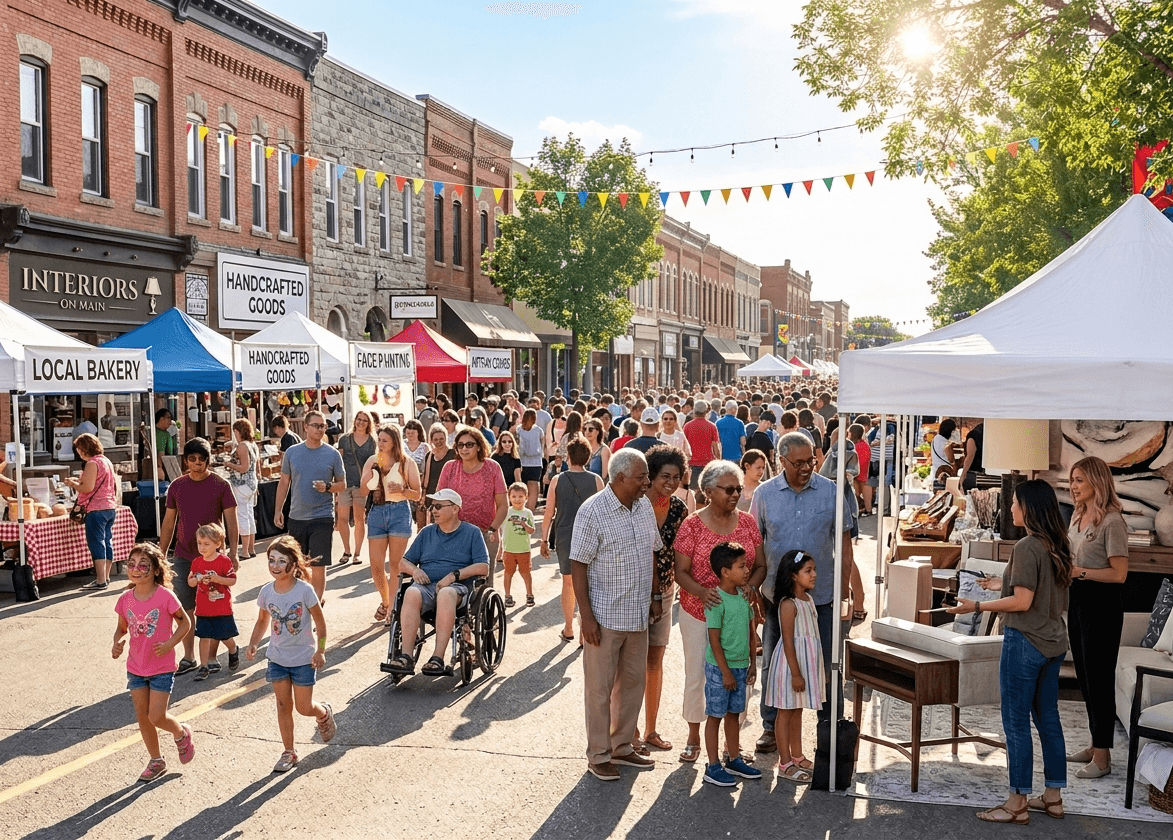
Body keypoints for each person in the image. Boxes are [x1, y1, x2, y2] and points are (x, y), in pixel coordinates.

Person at [948, 479, 1072, 824]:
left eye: (1015, 503)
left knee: (1016, 723)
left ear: (1029, 508)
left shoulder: (1028, 546)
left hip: (1026, 641)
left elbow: (1022, 600)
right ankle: (1053, 796)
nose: (1011, 509)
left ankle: (1016, 802)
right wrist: (998, 586)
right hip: (1054, 643)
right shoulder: (1058, 544)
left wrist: (976, 604)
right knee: (1048, 719)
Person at [750, 431, 853, 753]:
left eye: (811, 460)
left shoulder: (831, 491)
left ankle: (830, 729)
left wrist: (845, 589)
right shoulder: (765, 495)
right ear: (781, 461)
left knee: (827, 663)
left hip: (822, 597)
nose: (807, 467)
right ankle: (770, 727)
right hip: (776, 599)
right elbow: (756, 545)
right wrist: (753, 589)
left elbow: (845, 544)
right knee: (775, 663)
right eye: (799, 462)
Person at [570, 448, 661, 781]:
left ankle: (622, 747)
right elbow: (577, 563)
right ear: (621, 477)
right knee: (599, 690)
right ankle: (598, 754)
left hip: (638, 614)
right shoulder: (592, 511)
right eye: (641, 477)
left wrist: (655, 596)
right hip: (605, 617)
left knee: (633, 685)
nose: (647, 483)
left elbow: (652, 551)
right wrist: (587, 618)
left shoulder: (643, 506)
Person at [673, 460, 765, 764]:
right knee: (699, 674)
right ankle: (693, 736)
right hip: (700, 612)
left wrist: (751, 585)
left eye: (738, 488)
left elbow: (761, 565)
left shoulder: (748, 523)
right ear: (709, 490)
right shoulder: (692, 524)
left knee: (738, 674)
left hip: (739, 615)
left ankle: (732, 746)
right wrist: (702, 592)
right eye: (729, 489)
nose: (736, 494)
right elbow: (680, 571)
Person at [245, 535, 336, 773]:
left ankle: (323, 713)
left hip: (304, 659)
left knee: (303, 707)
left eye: (280, 560)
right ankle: (289, 752)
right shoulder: (266, 592)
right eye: (271, 560)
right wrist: (254, 643)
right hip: (277, 658)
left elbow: (321, 624)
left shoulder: (305, 591)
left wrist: (321, 650)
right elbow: (262, 620)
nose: (274, 565)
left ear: (293, 565)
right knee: (283, 704)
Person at [1064, 456, 1128, 780]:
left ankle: (1102, 758)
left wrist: (1081, 571)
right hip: (1078, 601)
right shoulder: (1078, 515)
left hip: (1102, 607)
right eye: (1072, 480)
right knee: (1086, 678)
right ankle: (1095, 743)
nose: (1073, 486)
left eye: (1078, 480)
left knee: (1099, 679)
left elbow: (1119, 575)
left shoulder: (1112, 521)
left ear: (1096, 482)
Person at [111, 542, 195, 782]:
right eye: (132, 564)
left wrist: (170, 644)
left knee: (156, 716)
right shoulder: (126, 599)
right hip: (136, 667)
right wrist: (117, 643)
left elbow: (185, 623)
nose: (136, 569)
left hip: (161, 667)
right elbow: (120, 629)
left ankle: (180, 733)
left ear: (156, 570)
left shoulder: (164, 596)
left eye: (143, 565)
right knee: (142, 716)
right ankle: (156, 760)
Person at [384, 488, 490, 676]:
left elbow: (483, 567)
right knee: (411, 592)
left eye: (439, 506)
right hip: (427, 587)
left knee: (446, 593)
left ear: (455, 509)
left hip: (456, 589)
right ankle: (406, 657)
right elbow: (403, 563)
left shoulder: (471, 532)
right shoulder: (427, 532)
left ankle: (437, 658)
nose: (433, 510)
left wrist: (453, 576)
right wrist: (415, 570)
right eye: (433, 505)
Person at [159, 437, 240, 674]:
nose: (197, 464)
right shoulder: (177, 486)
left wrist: (233, 552)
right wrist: (161, 553)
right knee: (185, 608)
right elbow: (168, 522)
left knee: (212, 607)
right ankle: (189, 656)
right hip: (184, 554)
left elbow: (231, 522)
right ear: (185, 460)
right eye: (192, 459)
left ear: (208, 460)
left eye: (202, 460)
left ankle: (211, 657)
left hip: (213, 556)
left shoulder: (221, 484)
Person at [631, 445, 689, 755]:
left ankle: (651, 729)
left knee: (655, 661)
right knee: (629, 664)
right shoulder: (634, 504)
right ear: (652, 475)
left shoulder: (679, 508)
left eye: (677, 477)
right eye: (665, 476)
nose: (670, 482)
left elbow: (684, 554)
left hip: (665, 592)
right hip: (631, 592)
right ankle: (630, 731)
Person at [700, 541, 762, 787]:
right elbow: (713, 640)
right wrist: (725, 672)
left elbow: (750, 632)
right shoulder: (716, 601)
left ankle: (733, 758)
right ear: (725, 572)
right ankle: (713, 765)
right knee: (715, 716)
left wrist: (753, 665)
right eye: (742, 566)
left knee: (734, 714)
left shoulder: (744, 598)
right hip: (720, 669)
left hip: (740, 666)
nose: (747, 570)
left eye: (746, 565)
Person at [764, 550, 824, 784]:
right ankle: (785, 762)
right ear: (793, 575)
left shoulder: (808, 600)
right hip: (790, 667)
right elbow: (788, 640)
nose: (814, 575)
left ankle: (798, 755)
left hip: (803, 664)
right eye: (808, 571)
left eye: (814, 570)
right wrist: (796, 673)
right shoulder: (788, 605)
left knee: (797, 710)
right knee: (785, 712)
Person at [273, 410, 345, 604]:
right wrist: (278, 509)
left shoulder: (332, 454)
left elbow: (342, 484)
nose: (321, 429)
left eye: (323, 426)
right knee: (297, 565)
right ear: (305, 427)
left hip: (322, 517)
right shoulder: (292, 452)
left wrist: (328, 487)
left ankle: (315, 607)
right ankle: (302, 601)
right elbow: (284, 482)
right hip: (297, 517)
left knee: (319, 565)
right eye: (316, 425)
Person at [541, 436, 604, 644]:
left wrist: (543, 540)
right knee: (589, 582)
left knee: (568, 583)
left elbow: (549, 512)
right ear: (587, 457)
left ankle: (568, 628)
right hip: (591, 534)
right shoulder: (596, 480)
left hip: (565, 534)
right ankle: (584, 632)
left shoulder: (558, 480)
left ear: (568, 456)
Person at [360, 423, 423, 624]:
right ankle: (386, 601)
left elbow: (417, 494)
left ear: (394, 441)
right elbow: (362, 492)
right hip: (377, 511)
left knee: (396, 565)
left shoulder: (406, 463)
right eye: (379, 440)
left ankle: (393, 609)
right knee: (376, 565)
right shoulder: (372, 460)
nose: (380, 444)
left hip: (399, 511)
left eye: (384, 440)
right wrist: (371, 477)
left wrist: (403, 489)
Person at [437, 426, 507, 582]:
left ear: (479, 446)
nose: (464, 448)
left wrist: (492, 529)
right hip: (454, 533)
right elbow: (439, 501)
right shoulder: (450, 467)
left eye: (469, 444)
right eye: (460, 445)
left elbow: (503, 505)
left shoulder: (492, 467)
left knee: (483, 583)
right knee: (453, 582)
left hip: (485, 533)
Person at [188, 523, 239, 681]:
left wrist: (218, 579)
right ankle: (204, 666)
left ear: (218, 544)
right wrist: (197, 579)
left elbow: (232, 580)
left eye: (206, 544)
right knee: (204, 637)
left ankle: (233, 650)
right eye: (199, 543)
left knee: (224, 636)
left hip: (221, 607)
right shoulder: (197, 562)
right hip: (203, 607)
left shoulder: (224, 561)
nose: (202, 547)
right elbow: (189, 581)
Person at [68, 433, 119, 591]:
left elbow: (87, 488)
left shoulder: (92, 463)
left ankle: (100, 580)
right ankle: (106, 577)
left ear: (84, 449)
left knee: (96, 543)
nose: (78, 453)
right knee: (107, 541)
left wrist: (73, 484)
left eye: (79, 450)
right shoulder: (106, 461)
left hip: (96, 509)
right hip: (110, 507)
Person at [335, 411, 376, 565]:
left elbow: (376, 462)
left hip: (362, 485)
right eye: (359, 419)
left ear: (369, 423)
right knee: (342, 518)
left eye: (364, 420)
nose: (361, 422)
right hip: (344, 484)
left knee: (359, 519)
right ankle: (346, 550)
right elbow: (338, 462)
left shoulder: (372, 441)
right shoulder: (344, 439)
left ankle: (357, 553)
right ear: (355, 420)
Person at [225, 419, 260, 560]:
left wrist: (229, 464)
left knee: (242, 516)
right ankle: (251, 548)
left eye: (235, 431)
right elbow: (256, 467)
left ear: (238, 431)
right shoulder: (253, 445)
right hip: (252, 484)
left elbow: (244, 467)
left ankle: (244, 551)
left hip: (242, 484)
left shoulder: (242, 446)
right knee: (249, 515)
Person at [501, 482, 536, 608]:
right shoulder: (506, 512)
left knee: (526, 573)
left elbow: (532, 530)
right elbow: (498, 525)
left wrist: (524, 525)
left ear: (526, 497)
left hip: (524, 550)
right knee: (508, 573)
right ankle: (507, 596)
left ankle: (529, 594)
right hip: (509, 549)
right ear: (509, 498)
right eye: (514, 496)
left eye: (521, 496)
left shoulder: (528, 513)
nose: (517, 499)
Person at [420, 422, 456, 529]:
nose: (438, 442)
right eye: (435, 440)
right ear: (431, 441)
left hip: (449, 499)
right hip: (433, 499)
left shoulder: (453, 454)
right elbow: (427, 478)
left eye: (441, 439)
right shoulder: (429, 456)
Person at [683, 400, 720, 492]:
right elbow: (716, 447)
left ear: (694, 411)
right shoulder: (712, 426)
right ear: (706, 412)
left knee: (692, 491)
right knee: (706, 491)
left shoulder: (687, 426)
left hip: (692, 463)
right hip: (708, 464)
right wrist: (718, 461)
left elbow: (684, 446)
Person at [515, 409, 545, 513]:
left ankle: (520, 510)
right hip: (536, 462)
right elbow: (543, 445)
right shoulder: (539, 430)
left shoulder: (519, 429)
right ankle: (530, 511)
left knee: (522, 487)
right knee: (533, 488)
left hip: (522, 462)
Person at [930, 418, 957, 487]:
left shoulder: (935, 439)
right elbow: (952, 460)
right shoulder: (946, 443)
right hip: (945, 475)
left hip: (935, 473)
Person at [960, 420, 985, 491]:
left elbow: (970, 456)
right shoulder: (990, 433)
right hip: (987, 472)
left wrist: (963, 475)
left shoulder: (973, 435)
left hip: (974, 473)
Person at [154, 407, 177, 481]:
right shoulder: (160, 434)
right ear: (161, 419)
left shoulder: (165, 433)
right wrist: (159, 468)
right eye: (169, 418)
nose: (170, 422)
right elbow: (161, 454)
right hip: (165, 469)